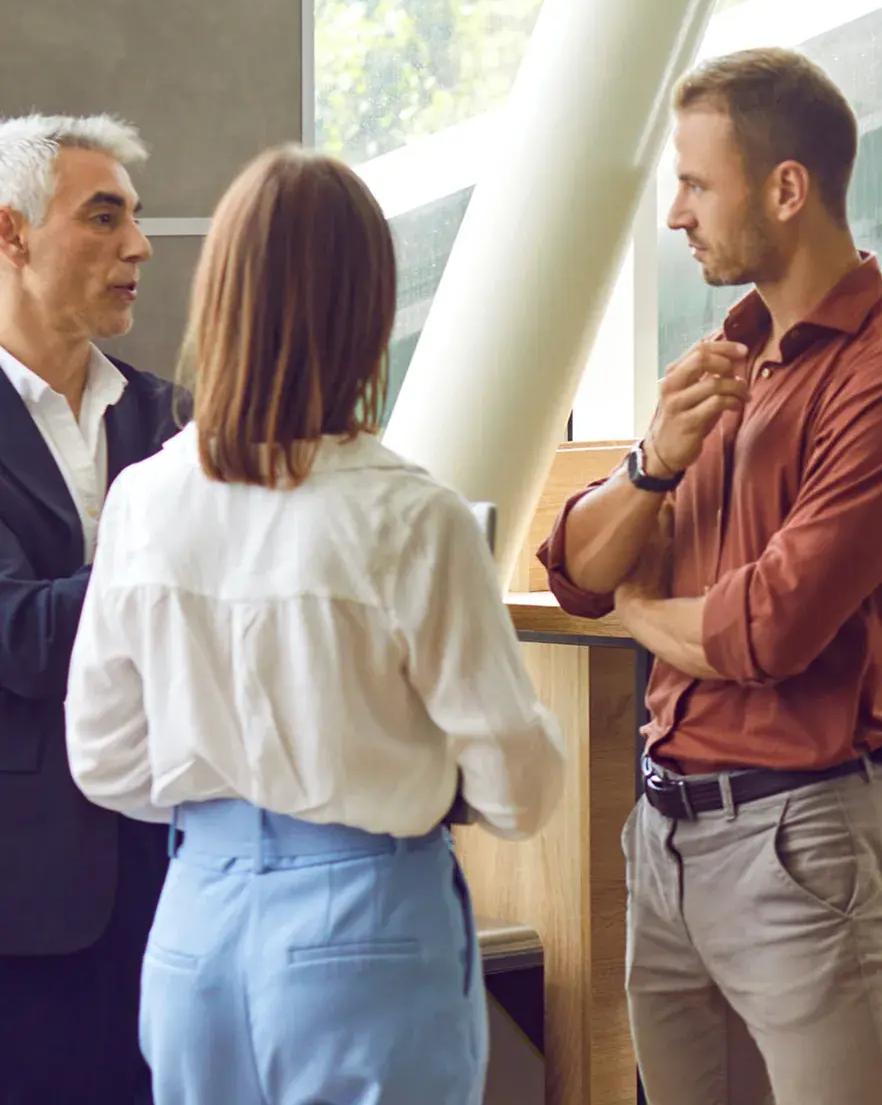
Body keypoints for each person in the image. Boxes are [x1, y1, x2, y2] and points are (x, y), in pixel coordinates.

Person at [64, 145, 566, 1104]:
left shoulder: (143, 500)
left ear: (218, 301)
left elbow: (106, 757)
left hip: (195, 925)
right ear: (367, 312)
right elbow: (517, 786)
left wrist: (227, 796)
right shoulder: (411, 515)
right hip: (367, 921)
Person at [540, 47, 882, 1105]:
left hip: (801, 840)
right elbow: (576, 573)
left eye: (694, 183)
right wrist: (651, 466)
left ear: (787, 189)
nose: (677, 214)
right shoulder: (725, 362)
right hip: (665, 838)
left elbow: (766, 632)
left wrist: (641, 607)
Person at [0, 113, 178, 1105]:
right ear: (10, 234)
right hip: (25, 908)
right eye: (103, 218)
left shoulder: (176, 419)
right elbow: (19, 639)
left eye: (137, 219)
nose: (139, 247)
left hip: (185, 885)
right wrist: (175, 575)